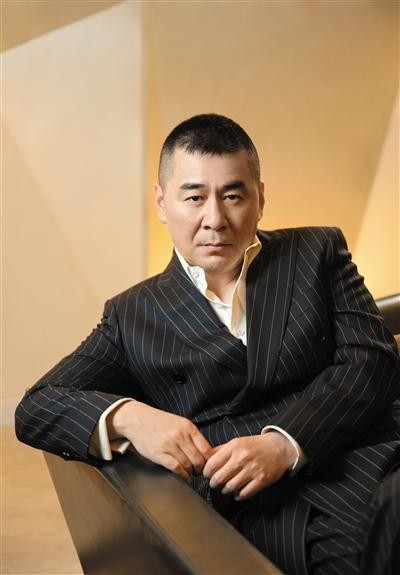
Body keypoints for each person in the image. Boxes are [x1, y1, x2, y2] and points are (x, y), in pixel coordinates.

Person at [15, 114, 400, 575]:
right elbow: (37, 405)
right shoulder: (132, 314)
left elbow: (372, 360)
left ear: (260, 198)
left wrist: (284, 442)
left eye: (233, 196)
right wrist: (133, 418)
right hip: (277, 509)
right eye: (194, 197)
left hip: (375, 454)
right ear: (162, 202)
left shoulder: (315, 252)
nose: (215, 220)